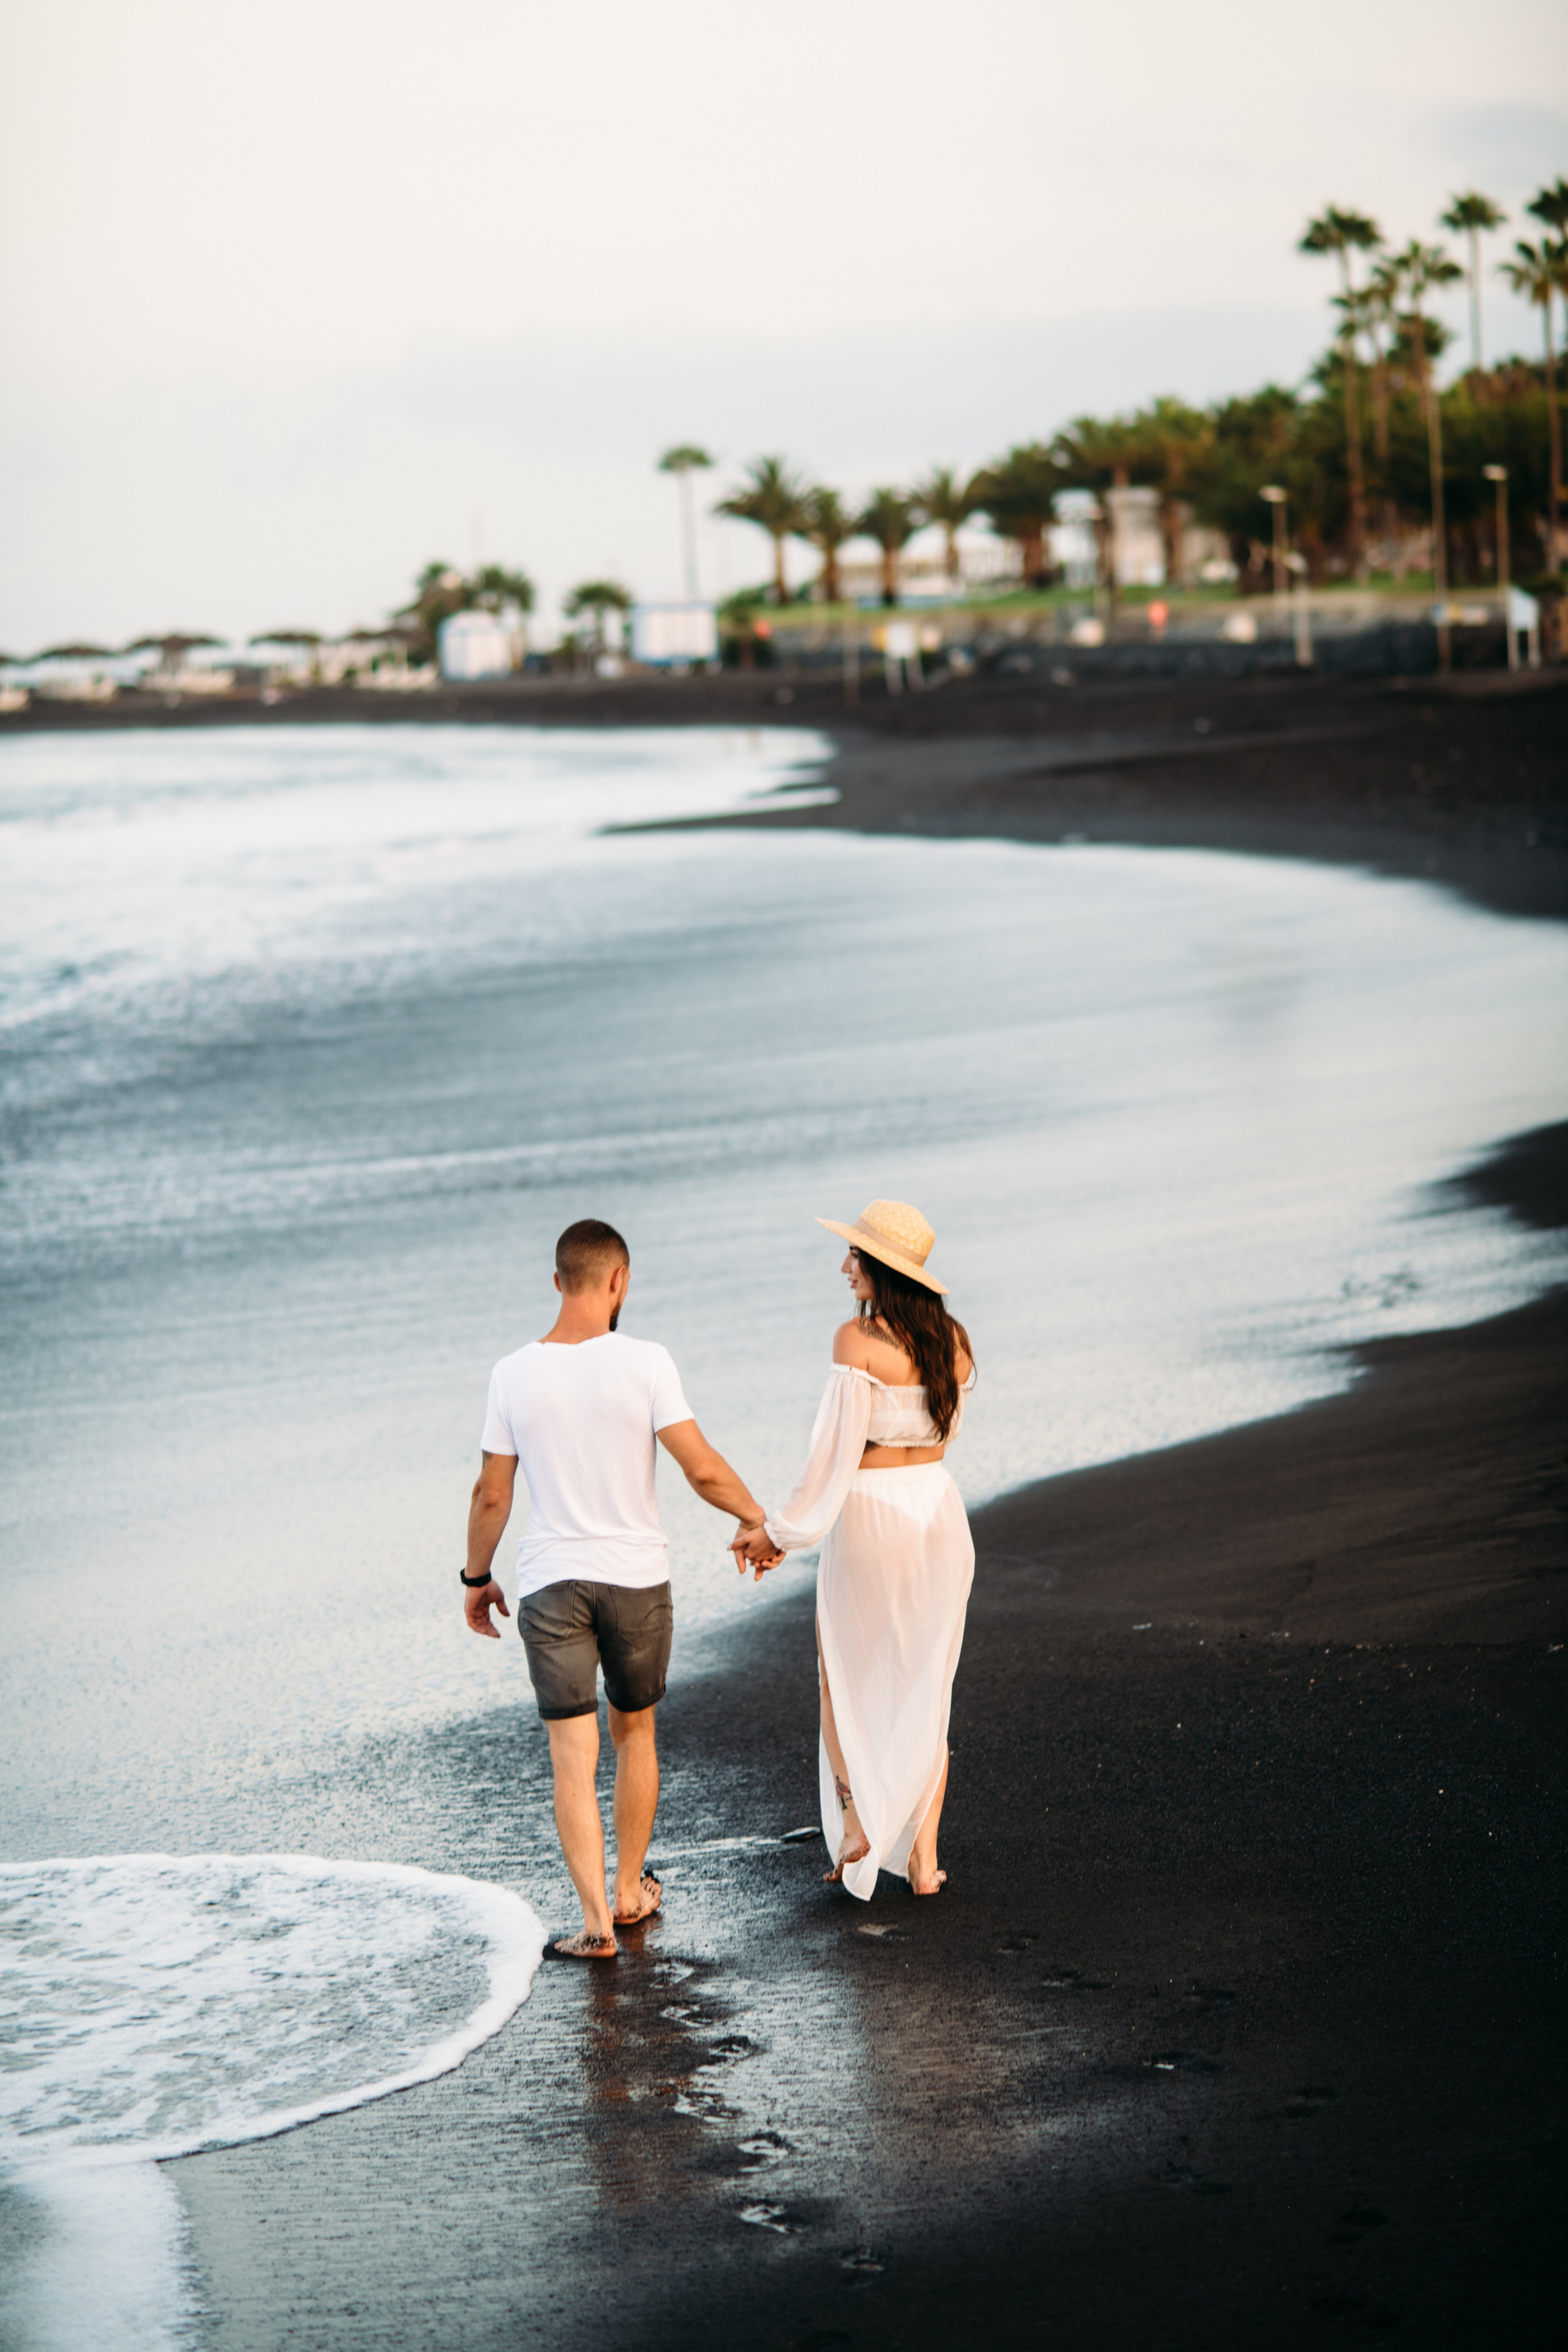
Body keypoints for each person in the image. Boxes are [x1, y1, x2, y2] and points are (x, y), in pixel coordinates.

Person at [463, 1218, 769, 1961]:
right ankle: (631, 1889)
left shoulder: (511, 1373)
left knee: (572, 1758)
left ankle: (596, 1924)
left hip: (550, 1585)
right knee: (635, 1733)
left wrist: (476, 1577)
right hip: (635, 1580)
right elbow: (700, 1468)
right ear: (618, 1281)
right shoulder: (646, 1361)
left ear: (558, 1281)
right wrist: (759, 1519)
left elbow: (492, 1497)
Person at [733, 1200, 974, 1901]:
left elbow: (833, 1458)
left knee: (842, 1676)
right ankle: (924, 1864)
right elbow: (940, 1438)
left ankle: (853, 1827)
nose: (845, 1268)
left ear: (880, 1269)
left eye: (854, 1257)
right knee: (929, 1688)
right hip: (935, 1511)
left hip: (869, 1516)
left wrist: (778, 1533)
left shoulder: (855, 1341)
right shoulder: (953, 1341)